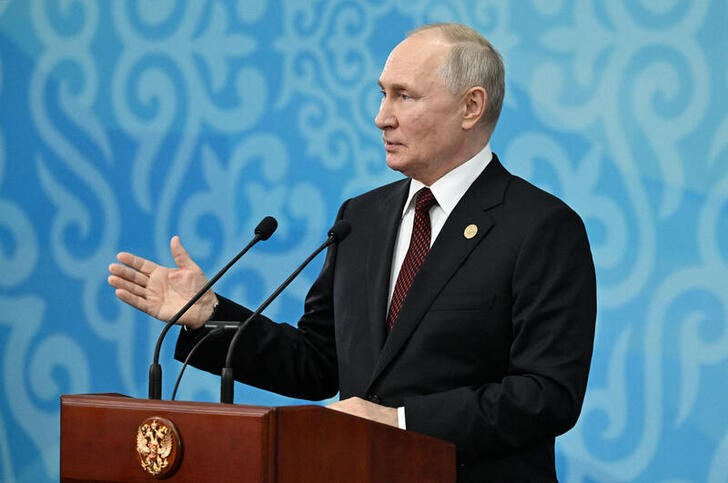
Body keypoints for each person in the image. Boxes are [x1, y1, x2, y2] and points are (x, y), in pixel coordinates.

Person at [108, 22, 596, 482]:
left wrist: (398, 421)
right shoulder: (359, 219)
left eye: (404, 96)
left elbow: (546, 394)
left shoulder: (541, 228)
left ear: (471, 107)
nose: (381, 117)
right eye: (382, 94)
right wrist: (208, 315)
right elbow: (319, 362)